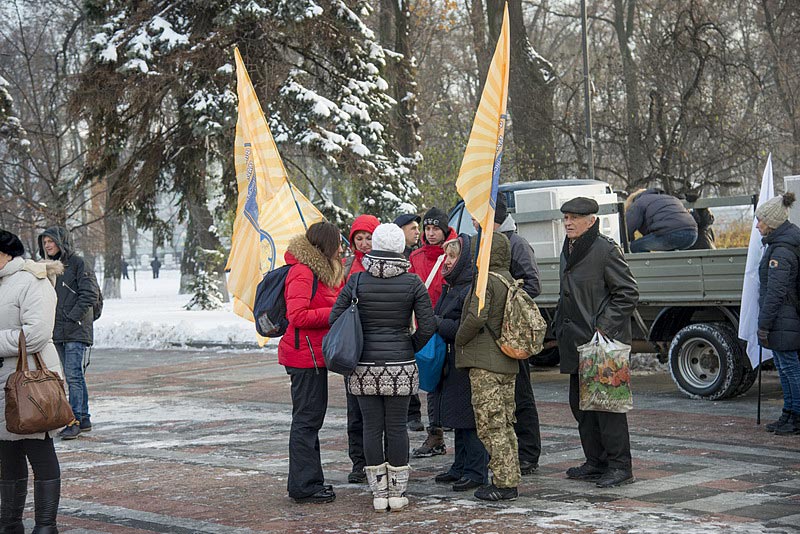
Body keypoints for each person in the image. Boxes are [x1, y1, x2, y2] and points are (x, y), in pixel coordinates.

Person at [330, 223, 436, 511]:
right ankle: (398, 493)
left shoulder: (356, 281)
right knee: (397, 427)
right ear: (400, 248)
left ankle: (378, 493)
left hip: (363, 365)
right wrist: (408, 346)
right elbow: (428, 325)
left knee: (371, 427)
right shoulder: (413, 282)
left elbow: (335, 318)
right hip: (400, 366)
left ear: (375, 246)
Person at [554, 197, 639, 488]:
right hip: (575, 341)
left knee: (608, 408)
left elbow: (627, 293)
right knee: (582, 407)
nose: (568, 223)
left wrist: (603, 327)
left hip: (601, 344)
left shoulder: (605, 249)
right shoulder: (570, 247)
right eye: (566, 217)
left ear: (591, 221)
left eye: (574, 218)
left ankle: (620, 467)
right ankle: (596, 461)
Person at [0, 229, 65, 532]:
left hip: (30, 383)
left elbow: (37, 333)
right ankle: (10, 523)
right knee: (8, 455)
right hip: (4, 384)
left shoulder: (32, 280)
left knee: (39, 451)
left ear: (5, 253)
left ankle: (45, 525)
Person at [279, 222, 344, 504]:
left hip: (314, 355)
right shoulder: (303, 271)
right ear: (327, 245)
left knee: (311, 420)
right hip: (303, 356)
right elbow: (297, 315)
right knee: (306, 421)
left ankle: (309, 480)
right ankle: (304, 485)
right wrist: (334, 312)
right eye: (338, 243)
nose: (341, 248)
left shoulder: (323, 270)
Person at [455, 232, 520, 501]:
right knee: (505, 423)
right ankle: (510, 477)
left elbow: (477, 316)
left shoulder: (485, 281)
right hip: (507, 362)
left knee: (491, 425)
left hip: (486, 365)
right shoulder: (509, 279)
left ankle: (504, 484)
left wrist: (459, 339)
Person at [431, 235, 490, 492]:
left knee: (469, 417)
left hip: (468, 360)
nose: (446, 261)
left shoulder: (471, 288)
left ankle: (476, 470)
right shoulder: (453, 286)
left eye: (452, 256)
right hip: (453, 359)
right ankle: (461, 465)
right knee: (457, 415)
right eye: (446, 255)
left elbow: (465, 327)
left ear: (465, 260)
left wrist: (436, 323)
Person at [493, 194, 543, 475]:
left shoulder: (517, 244)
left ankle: (528, 453)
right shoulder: (484, 242)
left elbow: (533, 285)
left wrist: (504, 300)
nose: (473, 221)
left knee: (521, 393)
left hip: (513, 331)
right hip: (492, 333)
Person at [38, 227, 99, 440]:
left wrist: (72, 317)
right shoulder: (48, 267)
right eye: (45, 242)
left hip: (76, 328)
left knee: (73, 375)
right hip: (58, 329)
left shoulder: (78, 263)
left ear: (61, 241)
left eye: (51, 241)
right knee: (73, 375)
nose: (47, 245)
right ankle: (84, 418)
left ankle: (74, 420)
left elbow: (90, 293)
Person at [410, 207, 456, 458]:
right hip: (426, 327)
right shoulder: (416, 256)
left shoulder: (455, 253)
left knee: (455, 380)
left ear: (445, 230)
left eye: (436, 228)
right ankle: (435, 433)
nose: (430, 233)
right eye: (427, 228)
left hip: (450, 324)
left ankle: (458, 430)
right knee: (432, 381)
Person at [755, 193, 800, 436]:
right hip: (784, 317)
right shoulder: (780, 244)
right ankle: (789, 413)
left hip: (784, 318)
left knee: (790, 368)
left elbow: (775, 292)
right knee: (784, 367)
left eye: (760, 220)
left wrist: (763, 324)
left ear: (772, 223)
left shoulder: (781, 251)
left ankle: (796, 416)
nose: (757, 225)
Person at [342, 214, 380, 484]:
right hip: (354, 347)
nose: (364, 243)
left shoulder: (384, 265)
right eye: (359, 238)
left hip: (378, 346)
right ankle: (359, 461)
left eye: (369, 238)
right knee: (355, 410)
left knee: (379, 411)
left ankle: (381, 458)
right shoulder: (347, 267)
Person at [393, 213, 424, 432]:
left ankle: (413, 413)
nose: (418, 232)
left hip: (412, 321)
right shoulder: (394, 258)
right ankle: (409, 413)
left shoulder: (416, 254)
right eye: (412, 228)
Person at [625, 188, 698, 252]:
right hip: (692, 234)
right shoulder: (671, 198)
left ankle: (648, 264)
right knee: (668, 249)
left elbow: (628, 226)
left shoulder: (639, 202)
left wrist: (624, 241)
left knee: (636, 246)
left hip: (671, 234)